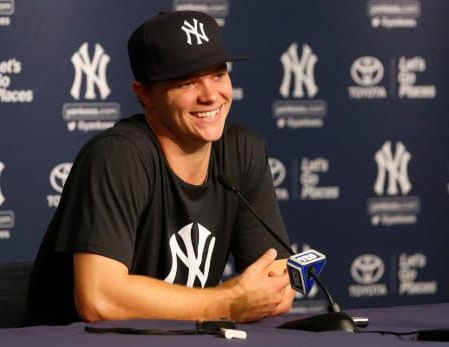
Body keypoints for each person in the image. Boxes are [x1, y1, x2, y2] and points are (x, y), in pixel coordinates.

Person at [23, 10, 294, 326]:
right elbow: (98, 299)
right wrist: (228, 302)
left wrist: (255, 295)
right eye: (188, 81)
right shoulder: (116, 156)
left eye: (219, 74)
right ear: (145, 93)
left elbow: (279, 285)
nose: (210, 95)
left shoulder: (242, 149)